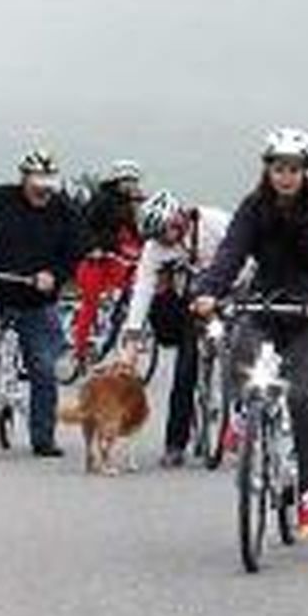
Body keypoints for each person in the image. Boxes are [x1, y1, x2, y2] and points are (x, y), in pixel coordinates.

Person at [192, 128, 308, 537]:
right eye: (279, 168)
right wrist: (209, 290)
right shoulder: (254, 206)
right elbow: (231, 251)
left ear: (304, 172)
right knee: (241, 350)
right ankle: (244, 417)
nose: (285, 176)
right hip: (265, 302)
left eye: (294, 169)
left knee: (300, 396)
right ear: (268, 169)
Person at [118, 189, 232, 467]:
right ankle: (175, 443)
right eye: (158, 237)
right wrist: (132, 338)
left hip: (229, 291)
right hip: (190, 304)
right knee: (185, 369)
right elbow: (143, 289)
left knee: (244, 353)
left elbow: (248, 254)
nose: (167, 240)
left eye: (169, 231)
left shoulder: (215, 223)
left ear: (180, 217)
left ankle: (242, 422)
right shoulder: (154, 248)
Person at [0, 148, 83, 456]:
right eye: (37, 179)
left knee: (42, 366)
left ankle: (43, 438)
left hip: (36, 299)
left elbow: (75, 249)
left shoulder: (62, 211)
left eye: (48, 179)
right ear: (24, 178)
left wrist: (54, 275)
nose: (43, 186)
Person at [71, 159, 144, 363]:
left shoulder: (127, 206)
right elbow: (84, 227)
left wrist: (145, 251)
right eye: (127, 180)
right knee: (91, 302)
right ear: (117, 180)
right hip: (94, 258)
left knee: (129, 288)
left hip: (112, 257)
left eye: (134, 181)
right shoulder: (101, 200)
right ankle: (80, 348)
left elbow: (134, 233)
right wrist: (93, 248)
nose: (131, 185)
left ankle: (116, 328)